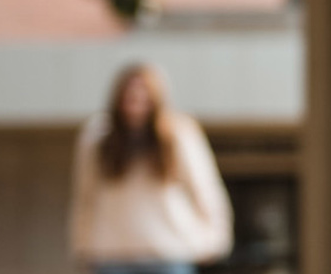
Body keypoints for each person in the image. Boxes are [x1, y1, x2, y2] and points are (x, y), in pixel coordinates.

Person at [70, 63, 233, 274]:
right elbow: (84, 194)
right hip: (112, 254)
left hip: (168, 251)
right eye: (130, 93)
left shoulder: (179, 132)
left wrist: (215, 238)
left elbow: (204, 187)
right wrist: (81, 244)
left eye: (143, 92)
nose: (136, 100)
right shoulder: (97, 135)